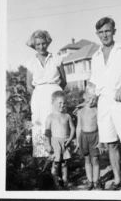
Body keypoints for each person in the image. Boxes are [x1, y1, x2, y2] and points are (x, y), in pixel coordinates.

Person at [89, 17, 121, 190]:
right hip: (104, 103)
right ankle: (118, 180)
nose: (104, 35)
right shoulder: (95, 56)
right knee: (110, 143)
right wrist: (91, 96)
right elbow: (94, 81)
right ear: (97, 34)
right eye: (101, 32)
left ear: (114, 31)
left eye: (107, 31)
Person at [25, 30, 67, 158]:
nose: (41, 47)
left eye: (43, 43)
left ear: (48, 43)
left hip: (54, 96)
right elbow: (29, 86)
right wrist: (39, 95)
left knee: (56, 126)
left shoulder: (57, 58)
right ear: (34, 46)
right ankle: (42, 164)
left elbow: (64, 81)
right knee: (39, 126)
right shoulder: (31, 62)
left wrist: (55, 93)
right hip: (39, 98)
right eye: (38, 44)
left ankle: (58, 160)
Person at [75, 88, 106, 190]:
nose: (91, 101)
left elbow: (101, 126)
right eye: (89, 98)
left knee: (95, 159)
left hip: (95, 136)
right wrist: (77, 140)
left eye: (94, 99)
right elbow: (79, 126)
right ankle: (90, 180)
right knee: (87, 159)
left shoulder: (97, 110)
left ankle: (97, 181)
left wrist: (101, 141)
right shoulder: (80, 111)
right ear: (84, 96)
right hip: (83, 137)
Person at [45, 90, 75, 189]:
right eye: (60, 103)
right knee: (56, 163)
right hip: (55, 143)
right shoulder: (50, 117)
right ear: (53, 103)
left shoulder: (67, 116)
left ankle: (65, 180)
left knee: (65, 162)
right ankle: (56, 182)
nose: (62, 105)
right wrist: (48, 144)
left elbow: (73, 128)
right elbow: (48, 132)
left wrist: (70, 138)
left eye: (64, 103)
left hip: (65, 142)